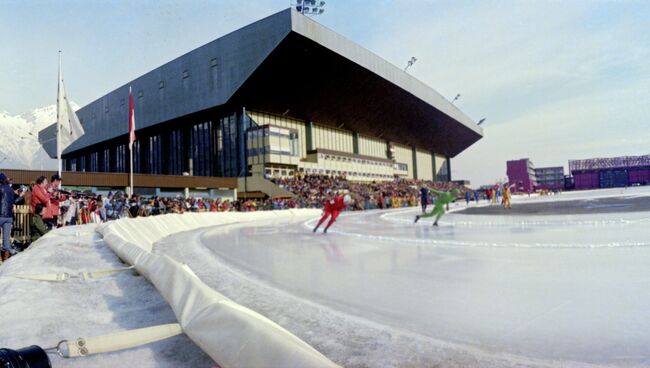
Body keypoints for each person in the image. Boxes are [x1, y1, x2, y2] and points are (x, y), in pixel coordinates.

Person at [0, 173, 17, 260]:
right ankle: (10, 252)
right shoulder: (11, 189)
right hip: (9, 216)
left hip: (0, 215)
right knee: (6, 238)